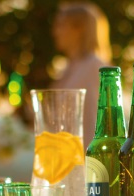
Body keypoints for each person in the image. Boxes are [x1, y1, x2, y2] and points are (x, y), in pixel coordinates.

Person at [51, 2, 112, 146]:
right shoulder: (69, 68)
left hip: (82, 160)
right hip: (65, 157)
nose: (55, 32)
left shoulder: (94, 66)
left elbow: (94, 122)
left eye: (61, 25)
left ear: (79, 29)